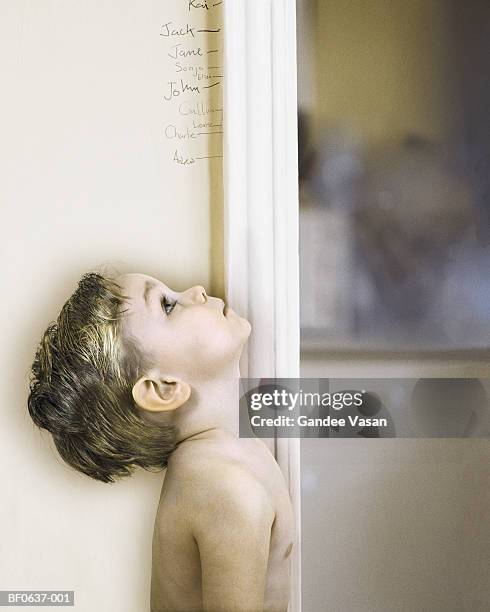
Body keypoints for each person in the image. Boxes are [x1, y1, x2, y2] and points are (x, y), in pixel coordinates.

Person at [28, 271, 294, 612]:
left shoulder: (222, 462)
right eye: (168, 305)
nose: (197, 291)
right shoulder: (225, 487)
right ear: (163, 389)